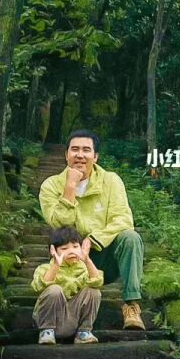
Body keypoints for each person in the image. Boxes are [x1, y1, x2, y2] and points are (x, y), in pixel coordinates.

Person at [38, 130, 145, 330]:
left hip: (104, 258)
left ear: (95, 157)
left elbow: (123, 219)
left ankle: (131, 305)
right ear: (66, 155)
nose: (80, 155)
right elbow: (60, 225)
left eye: (86, 150)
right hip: (71, 262)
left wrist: (92, 240)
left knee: (131, 237)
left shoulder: (111, 180)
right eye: (75, 149)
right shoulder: (51, 186)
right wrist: (70, 186)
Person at [31, 226, 104, 344]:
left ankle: (83, 332)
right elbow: (39, 286)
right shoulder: (45, 268)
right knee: (54, 290)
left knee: (93, 291)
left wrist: (87, 260)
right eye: (64, 248)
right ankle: (46, 331)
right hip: (51, 318)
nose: (71, 251)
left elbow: (98, 281)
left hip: (74, 319)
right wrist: (56, 265)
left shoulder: (84, 268)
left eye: (75, 247)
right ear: (53, 250)